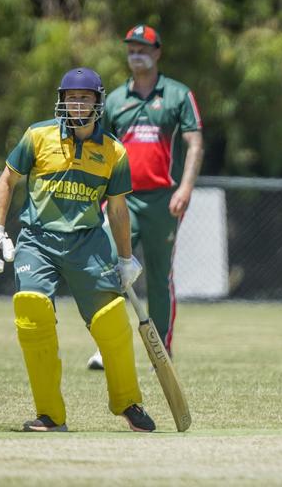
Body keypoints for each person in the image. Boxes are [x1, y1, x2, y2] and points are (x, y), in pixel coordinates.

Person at [0, 67, 156, 432]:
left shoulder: (114, 151)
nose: (76, 103)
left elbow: (117, 208)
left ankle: (127, 402)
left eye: (84, 97)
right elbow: (7, 179)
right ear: (61, 100)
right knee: (31, 311)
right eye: (70, 97)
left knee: (112, 319)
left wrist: (126, 258)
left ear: (98, 102)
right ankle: (50, 414)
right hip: (37, 241)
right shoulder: (38, 136)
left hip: (88, 243)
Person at [87, 24, 204, 370]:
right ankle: (107, 347)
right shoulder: (115, 100)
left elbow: (194, 143)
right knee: (106, 268)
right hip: (122, 198)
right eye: (131, 48)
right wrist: (96, 195)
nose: (136, 53)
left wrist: (185, 187)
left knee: (158, 275)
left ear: (157, 53)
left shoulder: (178, 95)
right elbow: (99, 150)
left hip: (164, 200)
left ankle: (161, 351)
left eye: (143, 47)